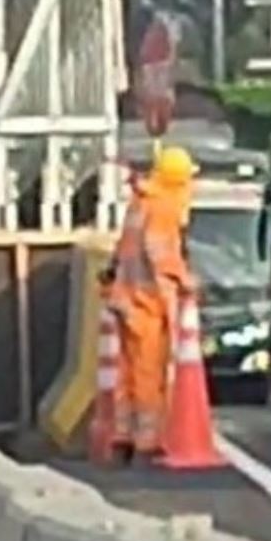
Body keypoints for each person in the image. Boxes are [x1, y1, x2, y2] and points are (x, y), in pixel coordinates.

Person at [106, 145, 199, 459]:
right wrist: (186, 282)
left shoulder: (141, 201)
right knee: (148, 372)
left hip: (125, 296)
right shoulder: (164, 206)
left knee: (126, 371)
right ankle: (147, 440)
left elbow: (124, 248)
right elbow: (160, 253)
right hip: (146, 302)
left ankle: (123, 434)